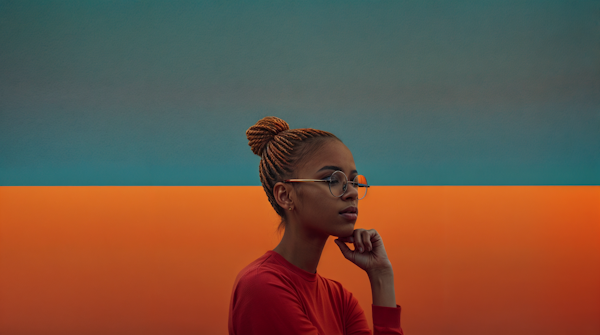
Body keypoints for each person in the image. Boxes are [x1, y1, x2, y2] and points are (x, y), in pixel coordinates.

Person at [228, 116, 403, 335]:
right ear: (285, 195)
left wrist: (381, 276)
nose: (351, 193)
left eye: (354, 181)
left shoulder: (341, 300)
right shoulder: (260, 286)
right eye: (332, 180)